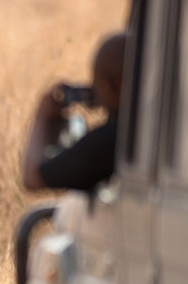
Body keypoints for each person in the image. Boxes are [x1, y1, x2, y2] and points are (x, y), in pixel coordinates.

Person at [21, 33, 127, 191]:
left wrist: (42, 117)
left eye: (96, 85)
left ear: (110, 87)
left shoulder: (109, 140)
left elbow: (32, 178)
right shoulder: (144, 129)